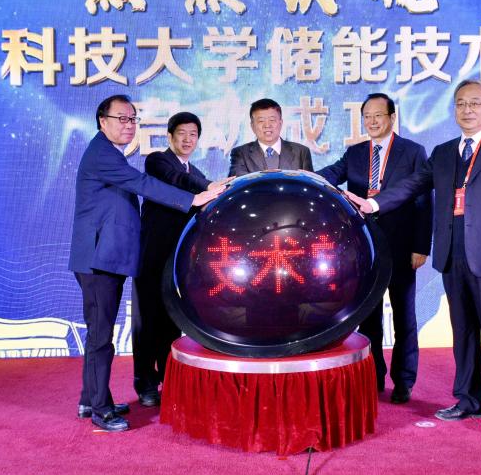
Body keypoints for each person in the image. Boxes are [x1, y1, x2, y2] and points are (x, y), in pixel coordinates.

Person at [346, 79, 481, 434]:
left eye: (475, 103)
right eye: (461, 103)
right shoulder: (444, 153)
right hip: (452, 255)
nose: (467, 110)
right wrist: (373, 204)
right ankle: (468, 399)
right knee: (462, 332)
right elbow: (412, 185)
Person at [68, 95, 222, 432]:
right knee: (100, 336)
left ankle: (89, 399)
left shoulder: (109, 154)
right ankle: (101, 410)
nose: (128, 125)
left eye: (132, 119)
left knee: (99, 332)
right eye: (121, 118)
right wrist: (193, 199)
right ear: (102, 121)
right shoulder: (102, 154)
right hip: (97, 259)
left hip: (106, 257)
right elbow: (142, 183)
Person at [316, 93, 432, 404]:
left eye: (378, 115)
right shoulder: (355, 153)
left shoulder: (413, 152)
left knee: (404, 316)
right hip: (365, 247)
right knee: (369, 318)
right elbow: (331, 175)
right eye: (367, 116)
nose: (372, 121)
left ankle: (404, 380)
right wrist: (303, 177)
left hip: (402, 246)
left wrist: (421, 246)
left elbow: (423, 201)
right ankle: (374, 376)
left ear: (392, 117)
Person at [133, 112, 230, 407]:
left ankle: (169, 380)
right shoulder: (158, 161)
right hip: (152, 256)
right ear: (170, 136)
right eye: (182, 133)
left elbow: (199, 188)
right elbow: (180, 181)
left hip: (177, 261)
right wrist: (208, 186)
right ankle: (145, 382)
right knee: (148, 321)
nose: (188, 139)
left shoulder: (195, 172)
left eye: (193, 135)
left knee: (171, 322)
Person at [228, 98, 313, 176]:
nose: (267, 125)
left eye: (272, 120)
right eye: (261, 121)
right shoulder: (240, 153)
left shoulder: (301, 152)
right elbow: (237, 184)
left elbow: (311, 185)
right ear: (252, 126)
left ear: (281, 123)